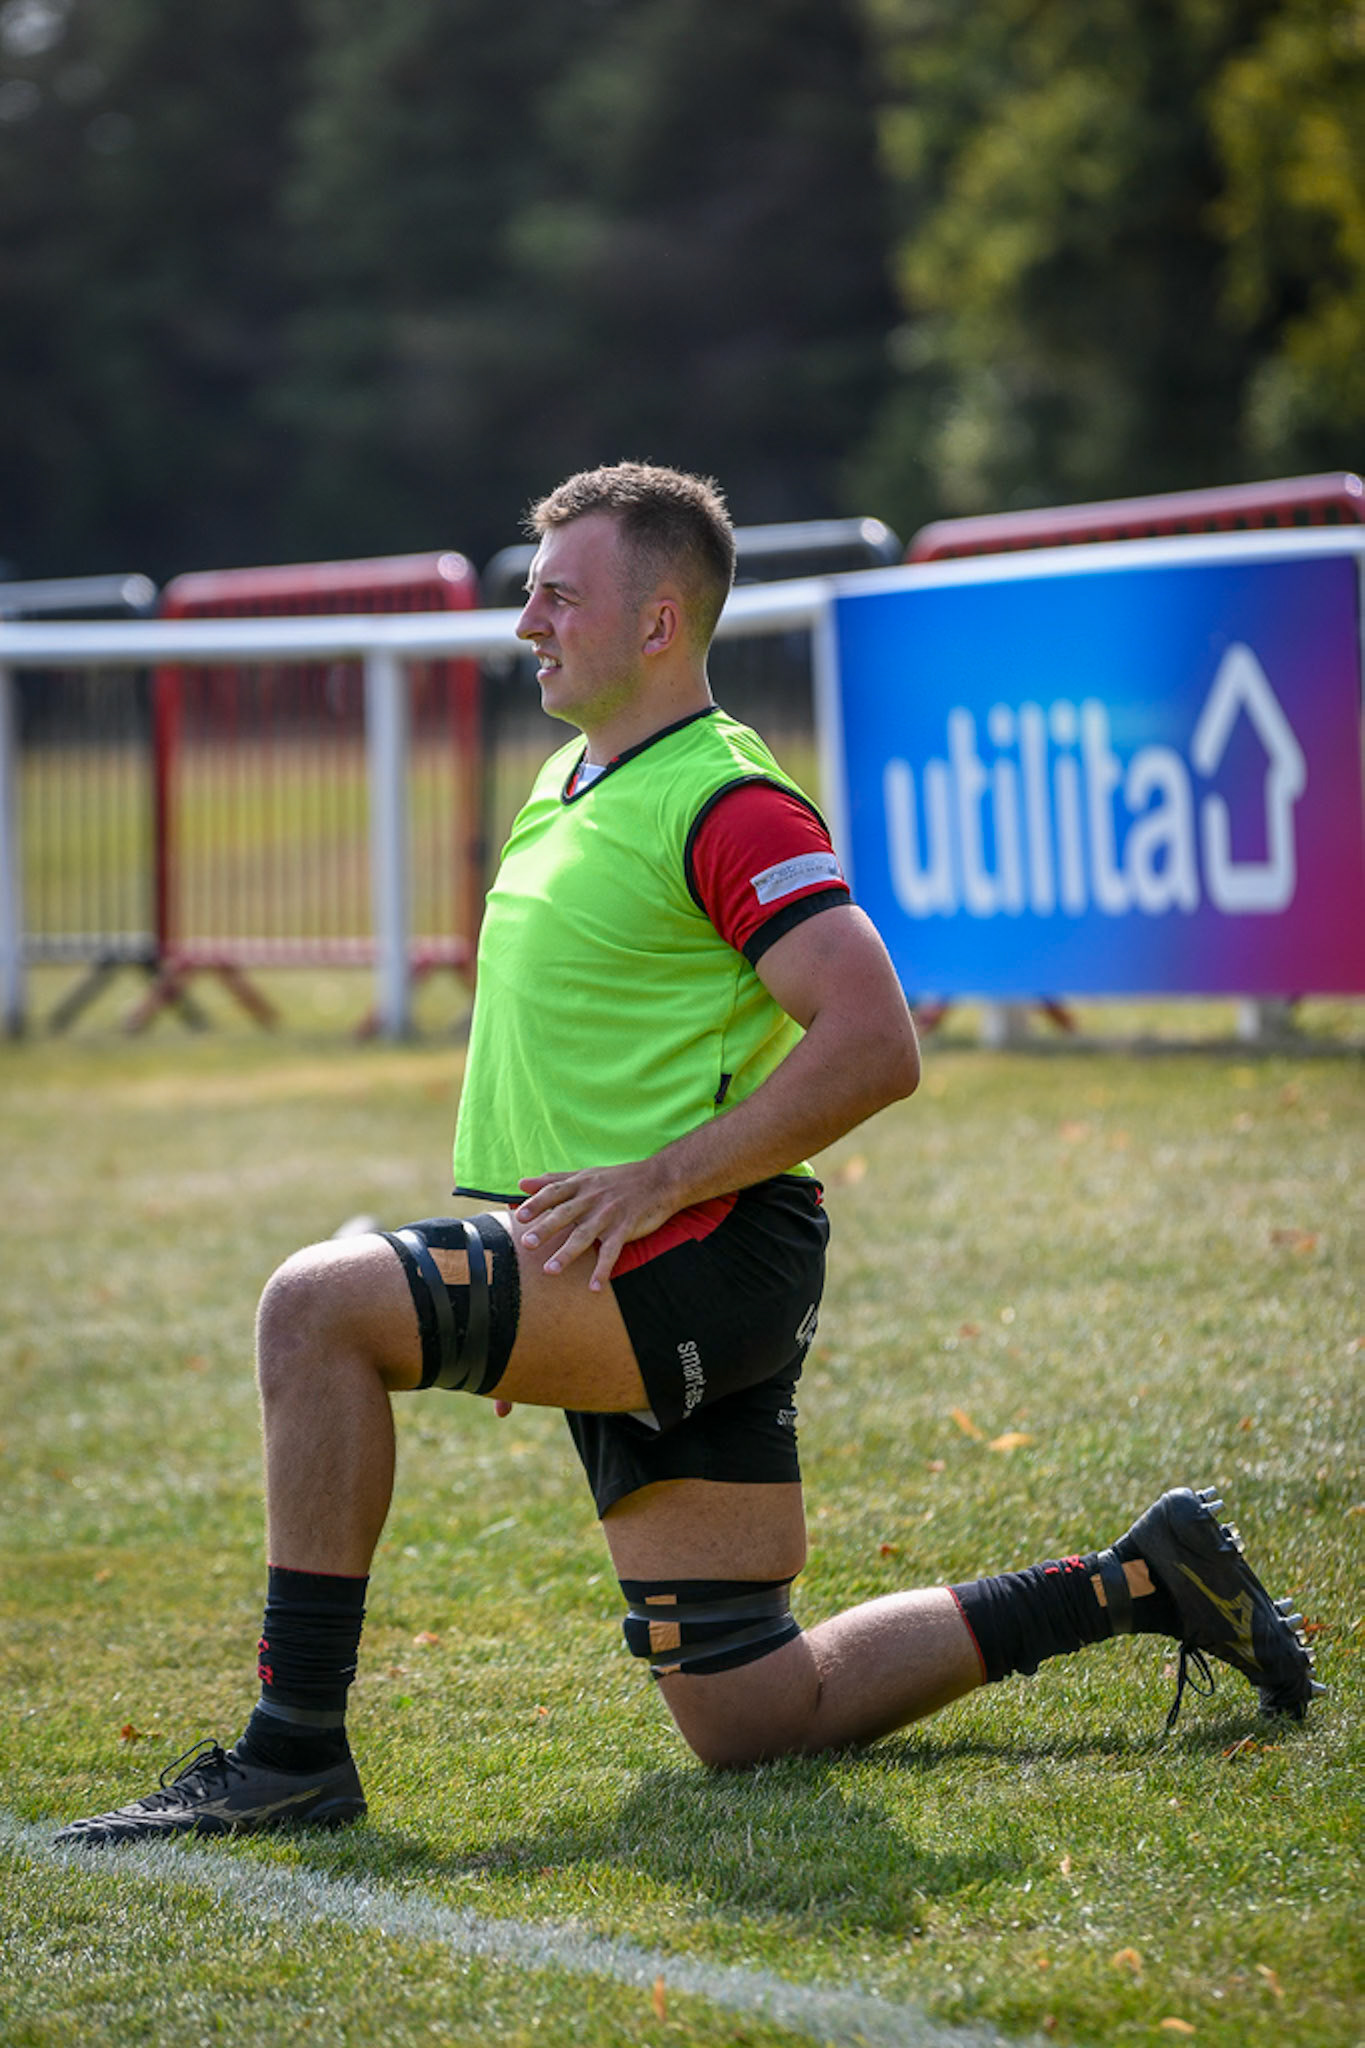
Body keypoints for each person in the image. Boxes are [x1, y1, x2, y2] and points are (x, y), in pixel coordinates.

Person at [56, 463, 1320, 1845]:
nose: (524, 623)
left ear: (657, 623)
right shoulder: (568, 778)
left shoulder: (730, 803)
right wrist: (511, 1287)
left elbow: (871, 1039)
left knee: (314, 1306)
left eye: (556, 596)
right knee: (752, 1713)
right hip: (620, 1270)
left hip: (700, 1261)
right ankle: (1138, 1583)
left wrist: (641, 1196)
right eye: (528, 594)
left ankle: (288, 1752)